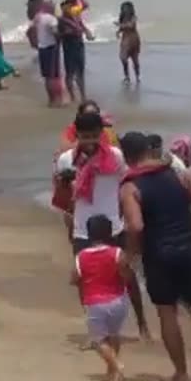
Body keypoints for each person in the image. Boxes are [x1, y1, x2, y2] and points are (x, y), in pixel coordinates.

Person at [119, 131, 191, 381]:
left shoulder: (130, 187)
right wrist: (190, 225)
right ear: (148, 150)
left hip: (157, 253)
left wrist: (130, 254)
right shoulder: (179, 173)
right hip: (187, 247)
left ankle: (181, 372)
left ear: (127, 157)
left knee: (167, 312)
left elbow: (135, 226)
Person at [56, 112, 150, 338]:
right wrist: (65, 183)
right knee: (85, 280)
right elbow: (61, 198)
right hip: (82, 227)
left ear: (102, 134)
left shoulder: (116, 157)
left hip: (113, 226)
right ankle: (96, 330)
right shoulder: (66, 160)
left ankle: (142, 324)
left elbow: (127, 185)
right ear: (76, 135)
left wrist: (129, 218)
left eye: (94, 136)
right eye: (84, 136)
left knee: (126, 276)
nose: (89, 142)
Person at [71, 214, 138, 381]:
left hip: (95, 303)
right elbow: (127, 276)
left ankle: (116, 364)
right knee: (114, 335)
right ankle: (113, 372)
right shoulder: (117, 253)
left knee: (98, 340)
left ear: (89, 234)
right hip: (118, 301)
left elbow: (74, 279)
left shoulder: (82, 256)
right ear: (110, 234)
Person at [58, 0, 93, 102]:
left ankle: (83, 95)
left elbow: (86, 5)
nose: (72, 7)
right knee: (70, 72)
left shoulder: (75, 13)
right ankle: (72, 95)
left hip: (78, 43)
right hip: (69, 44)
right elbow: (61, 33)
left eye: (73, 4)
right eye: (70, 5)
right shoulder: (62, 18)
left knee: (80, 71)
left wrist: (86, 31)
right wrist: (73, 30)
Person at [31, 1, 62, 106]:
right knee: (52, 75)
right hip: (51, 47)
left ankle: (51, 99)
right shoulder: (51, 18)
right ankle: (56, 100)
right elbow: (55, 31)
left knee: (47, 76)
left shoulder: (38, 17)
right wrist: (60, 37)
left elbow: (32, 30)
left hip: (42, 47)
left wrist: (35, 42)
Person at [117, 1, 141, 83]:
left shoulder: (133, 17)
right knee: (123, 58)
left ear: (130, 9)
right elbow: (121, 28)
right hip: (125, 39)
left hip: (133, 39)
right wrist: (118, 31)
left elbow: (131, 25)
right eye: (123, 8)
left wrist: (121, 25)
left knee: (135, 59)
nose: (125, 10)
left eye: (127, 8)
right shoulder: (122, 17)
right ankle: (127, 76)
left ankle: (137, 76)